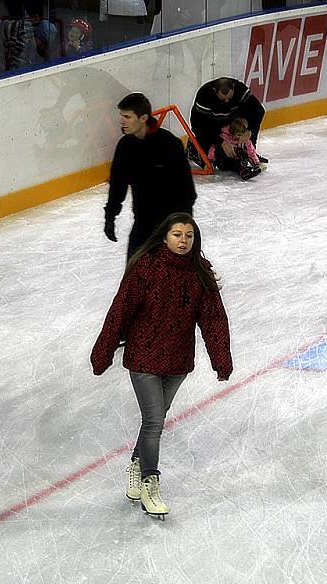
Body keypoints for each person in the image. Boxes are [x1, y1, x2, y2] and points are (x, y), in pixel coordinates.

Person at [91, 213, 232, 518]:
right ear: (164, 237)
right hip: (144, 356)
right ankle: (149, 485)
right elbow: (120, 310)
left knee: (154, 419)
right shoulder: (147, 268)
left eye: (189, 236)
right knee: (154, 421)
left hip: (178, 361)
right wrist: (103, 352)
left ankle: (136, 463)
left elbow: (213, 320)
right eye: (177, 235)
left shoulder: (199, 273)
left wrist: (221, 359)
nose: (183, 241)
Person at [104, 92, 196, 259]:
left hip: (170, 226)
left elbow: (187, 190)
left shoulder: (169, 144)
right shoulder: (125, 147)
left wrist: (181, 228)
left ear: (143, 118)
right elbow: (118, 185)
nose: (122, 121)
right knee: (134, 275)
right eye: (122, 116)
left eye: (127, 116)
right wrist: (110, 215)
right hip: (143, 223)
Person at [188, 77, 266, 167]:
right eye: (223, 99)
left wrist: (249, 131)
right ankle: (194, 149)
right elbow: (200, 127)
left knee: (246, 126)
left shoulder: (240, 89)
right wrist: (220, 142)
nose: (226, 101)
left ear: (233, 88)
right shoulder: (204, 95)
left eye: (229, 98)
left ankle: (249, 153)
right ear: (215, 91)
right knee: (221, 156)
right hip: (210, 126)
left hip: (230, 122)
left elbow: (259, 111)